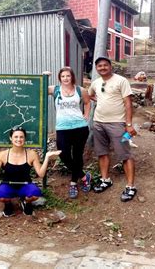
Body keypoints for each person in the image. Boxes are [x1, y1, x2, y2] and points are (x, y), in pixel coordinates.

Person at [0, 126, 61, 216]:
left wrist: (47, 157)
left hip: (25, 185)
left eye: (21, 137)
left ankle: (26, 202)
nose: (18, 139)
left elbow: (41, 174)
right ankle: (8, 205)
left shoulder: (32, 154)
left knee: (35, 193)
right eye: (16, 137)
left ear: (25, 138)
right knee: (0, 195)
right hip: (8, 185)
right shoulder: (3, 155)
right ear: (10, 138)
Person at [88, 56, 137, 202]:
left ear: (110, 66)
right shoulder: (96, 83)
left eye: (105, 65)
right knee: (102, 153)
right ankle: (105, 180)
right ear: (96, 68)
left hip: (118, 124)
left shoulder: (121, 81)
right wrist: (99, 100)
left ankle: (130, 187)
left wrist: (128, 125)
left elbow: (128, 103)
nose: (102, 68)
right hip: (98, 123)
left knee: (125, 154)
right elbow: (90, 95)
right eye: (99, 66)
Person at [47, 67, 91, 199]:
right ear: (59, 78)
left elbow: (88, 102)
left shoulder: (80, 90)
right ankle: (84, 176)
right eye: (63, 76)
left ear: (72, 77)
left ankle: (73, 182)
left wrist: (86, 115)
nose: (66, 78)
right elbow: (38, 87)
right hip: (62, 128)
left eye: (68, 76)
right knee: (63, 154)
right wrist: (45, 76)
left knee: (77, 155)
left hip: (80, 127)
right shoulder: (54, 89)